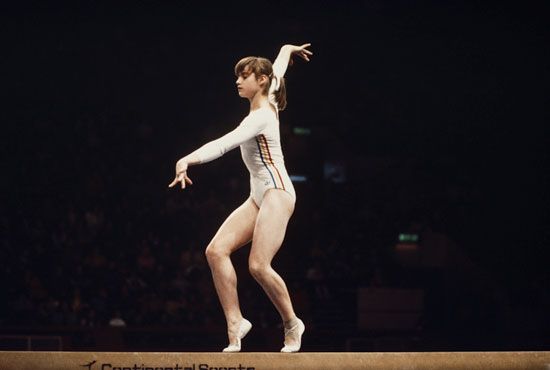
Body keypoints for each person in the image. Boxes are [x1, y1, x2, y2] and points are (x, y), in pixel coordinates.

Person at [168, 43, 313, 352]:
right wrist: (287, 48)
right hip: (258, 195)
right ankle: (236, 321)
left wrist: (187, 160)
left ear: (260, 80)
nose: (237, 81)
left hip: (278, 192)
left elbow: (223, 144)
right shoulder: (271, 89)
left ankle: (291, 323)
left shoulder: (258, 117)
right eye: (237, 76)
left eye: (244, 76)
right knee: (215, 251)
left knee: (259, 265)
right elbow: (279, 67)